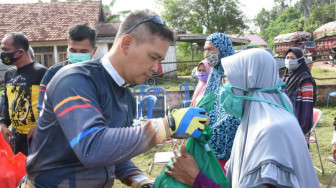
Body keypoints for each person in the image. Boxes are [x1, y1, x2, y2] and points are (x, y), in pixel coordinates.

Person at [24, 9, 207, 188]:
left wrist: (141, 180)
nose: (156, 68)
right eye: (153, 57)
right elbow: (93, 148)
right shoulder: (74, 80)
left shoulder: (126, 96)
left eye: (159, 61)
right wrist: (169, 125)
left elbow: (115, 154)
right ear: (126, 43)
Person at [166, 48, 320, 188]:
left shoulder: (272, 131)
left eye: (230, 80)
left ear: (249, 82)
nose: (225, 88)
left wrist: (195, 179)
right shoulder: (253, 123)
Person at [0, 32, 47, 155]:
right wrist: (4, 124)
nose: (3, 54)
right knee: (20, 171)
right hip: (16, 136)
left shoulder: (41, 72)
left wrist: (41, 126)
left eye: (5, 49)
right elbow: (7, 101)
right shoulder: (9, 74)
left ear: (20, 52)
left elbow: (52, 104)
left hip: (37, 137)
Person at [37, 24, 98, 116]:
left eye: (83, 51)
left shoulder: (100, 74)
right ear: (67, 49)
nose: (77, 54)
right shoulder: (53, 73)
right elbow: (42, 108)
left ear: (94, 51)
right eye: (73, 50)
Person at [202, 33, 240, 172]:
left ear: (223, 49)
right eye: (205, 49)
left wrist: (217, 125)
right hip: (211, 140)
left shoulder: (234, 73)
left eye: (210, 49)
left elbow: (236, 109)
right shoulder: (214, 72)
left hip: (229, 141)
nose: (207, 54)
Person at [282, 47, 316, 135]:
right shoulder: (286, 77)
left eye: (293, 58)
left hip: (298, 122)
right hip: (286, 120)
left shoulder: (305, 80)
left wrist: (302, 129)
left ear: (300, 60)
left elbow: (307, 106)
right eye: (287, 58)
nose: (289, 61)